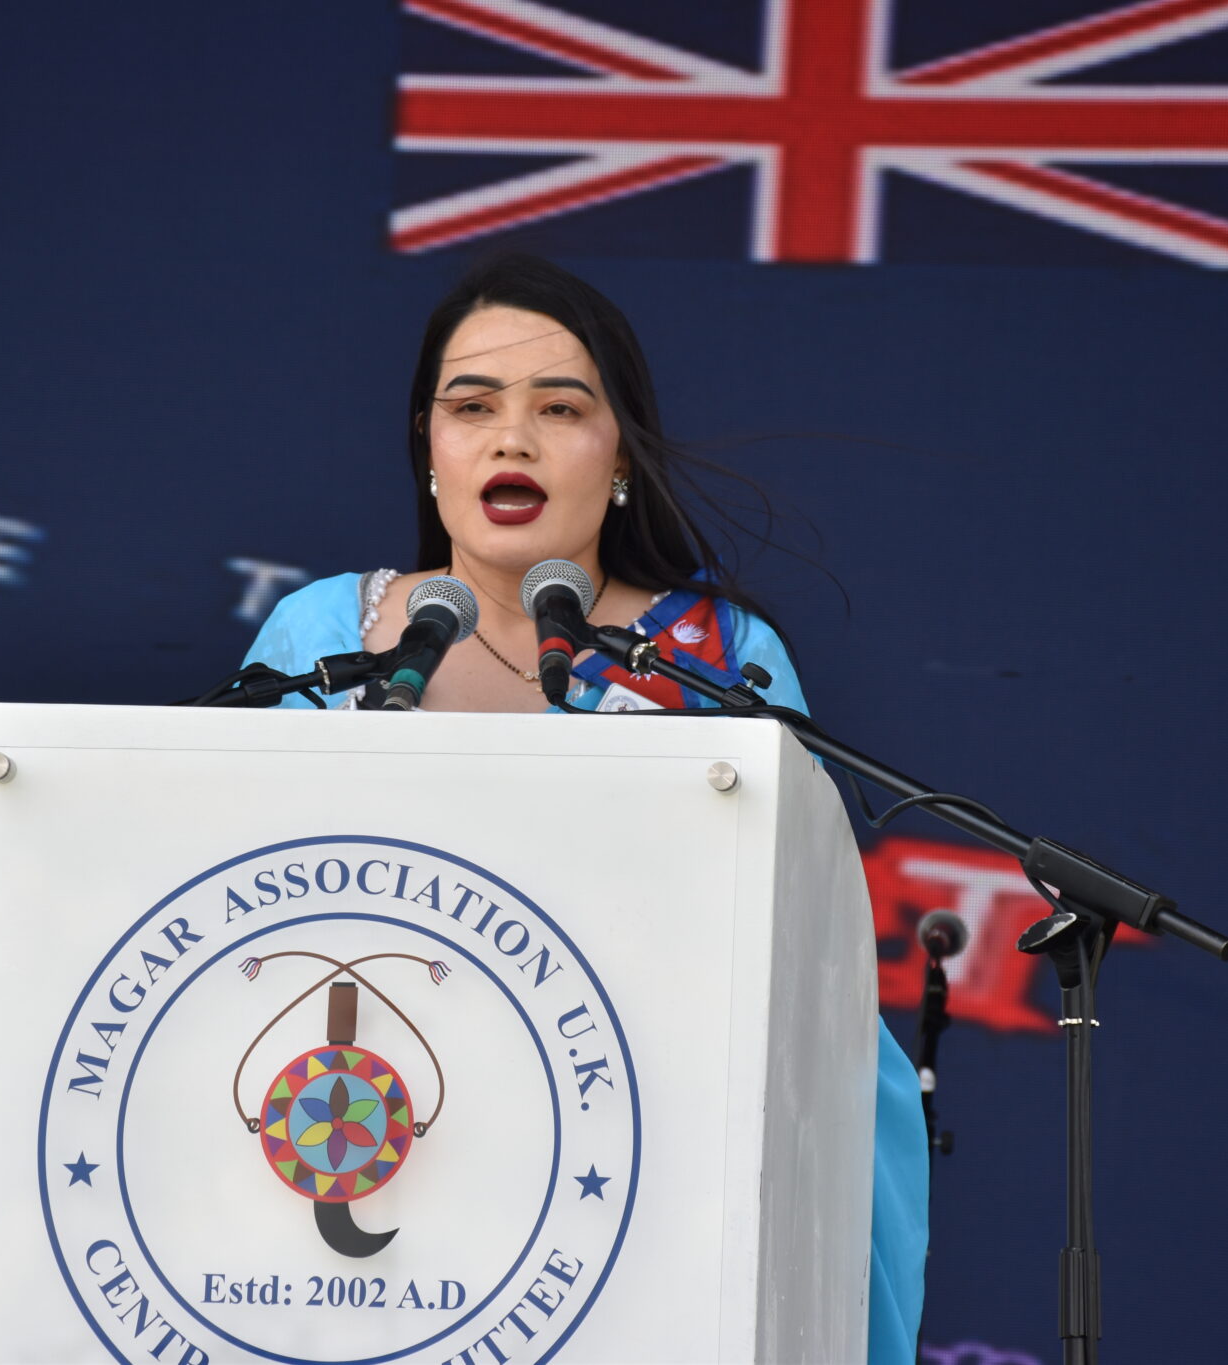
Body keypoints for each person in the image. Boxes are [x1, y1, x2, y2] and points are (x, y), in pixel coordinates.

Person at [242, 253, 928, 1359]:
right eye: (472, 407)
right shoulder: (323, 637)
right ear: (428, 447)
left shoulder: (717, 657)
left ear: (618, 457)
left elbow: (809, 958)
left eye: (559, 409)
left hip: (647, 1177)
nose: (510, 438)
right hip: (368, 1136)